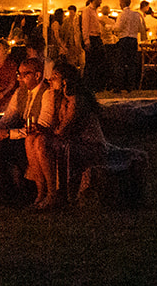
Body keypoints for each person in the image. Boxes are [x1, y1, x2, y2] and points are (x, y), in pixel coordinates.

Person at [26, 60, 110, 210]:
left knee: (42, 142)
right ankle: (41, 192)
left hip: (89, 145)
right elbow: (53, 126)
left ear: (66, 81)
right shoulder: (58, 97)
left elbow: (62, 130)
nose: (50, 80)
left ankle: (53, 195)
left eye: (55, 77)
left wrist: (45, 131)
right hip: (69, 142)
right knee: (31, 138)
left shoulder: (77, 99)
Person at [0, 57, 52, 206]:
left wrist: (7, 134)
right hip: (20, 134)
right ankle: (9, 195)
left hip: (37, 138)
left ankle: (29, 192)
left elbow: (42, 126)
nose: (20, 78)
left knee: (21, 150)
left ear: (37, 75)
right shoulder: (20, 92)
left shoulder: (47, 93)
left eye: (25, 74)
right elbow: (9, 116)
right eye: (18, 74)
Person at [114, 0, 145, 92]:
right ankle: (130, 86)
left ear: (123, 3)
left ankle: (119, 86)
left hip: (124, 40)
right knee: (132, 63)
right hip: (133, 40)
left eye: (120, 2)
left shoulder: (122, 14)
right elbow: (140, 28)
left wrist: (111, 28)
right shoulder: (136, 15)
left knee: (121, 63)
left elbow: (118, 27)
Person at [80, 0, 107, 90]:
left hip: (97, 37)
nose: (101, 1)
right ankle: (89, 85)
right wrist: (87, 41)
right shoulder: (87, 10)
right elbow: (85, 26)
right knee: (91, 62)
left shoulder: (95, 11)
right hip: (92, 38)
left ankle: (97, 85)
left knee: (99, 61)